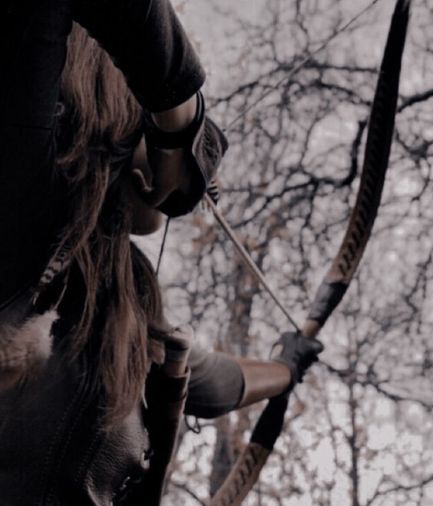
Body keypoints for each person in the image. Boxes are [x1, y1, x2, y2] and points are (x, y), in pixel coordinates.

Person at [0, 2, 323, 505]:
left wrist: (287, 367)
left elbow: (211, 380)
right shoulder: (21, 198)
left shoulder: (117, 298)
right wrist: (179, 122)